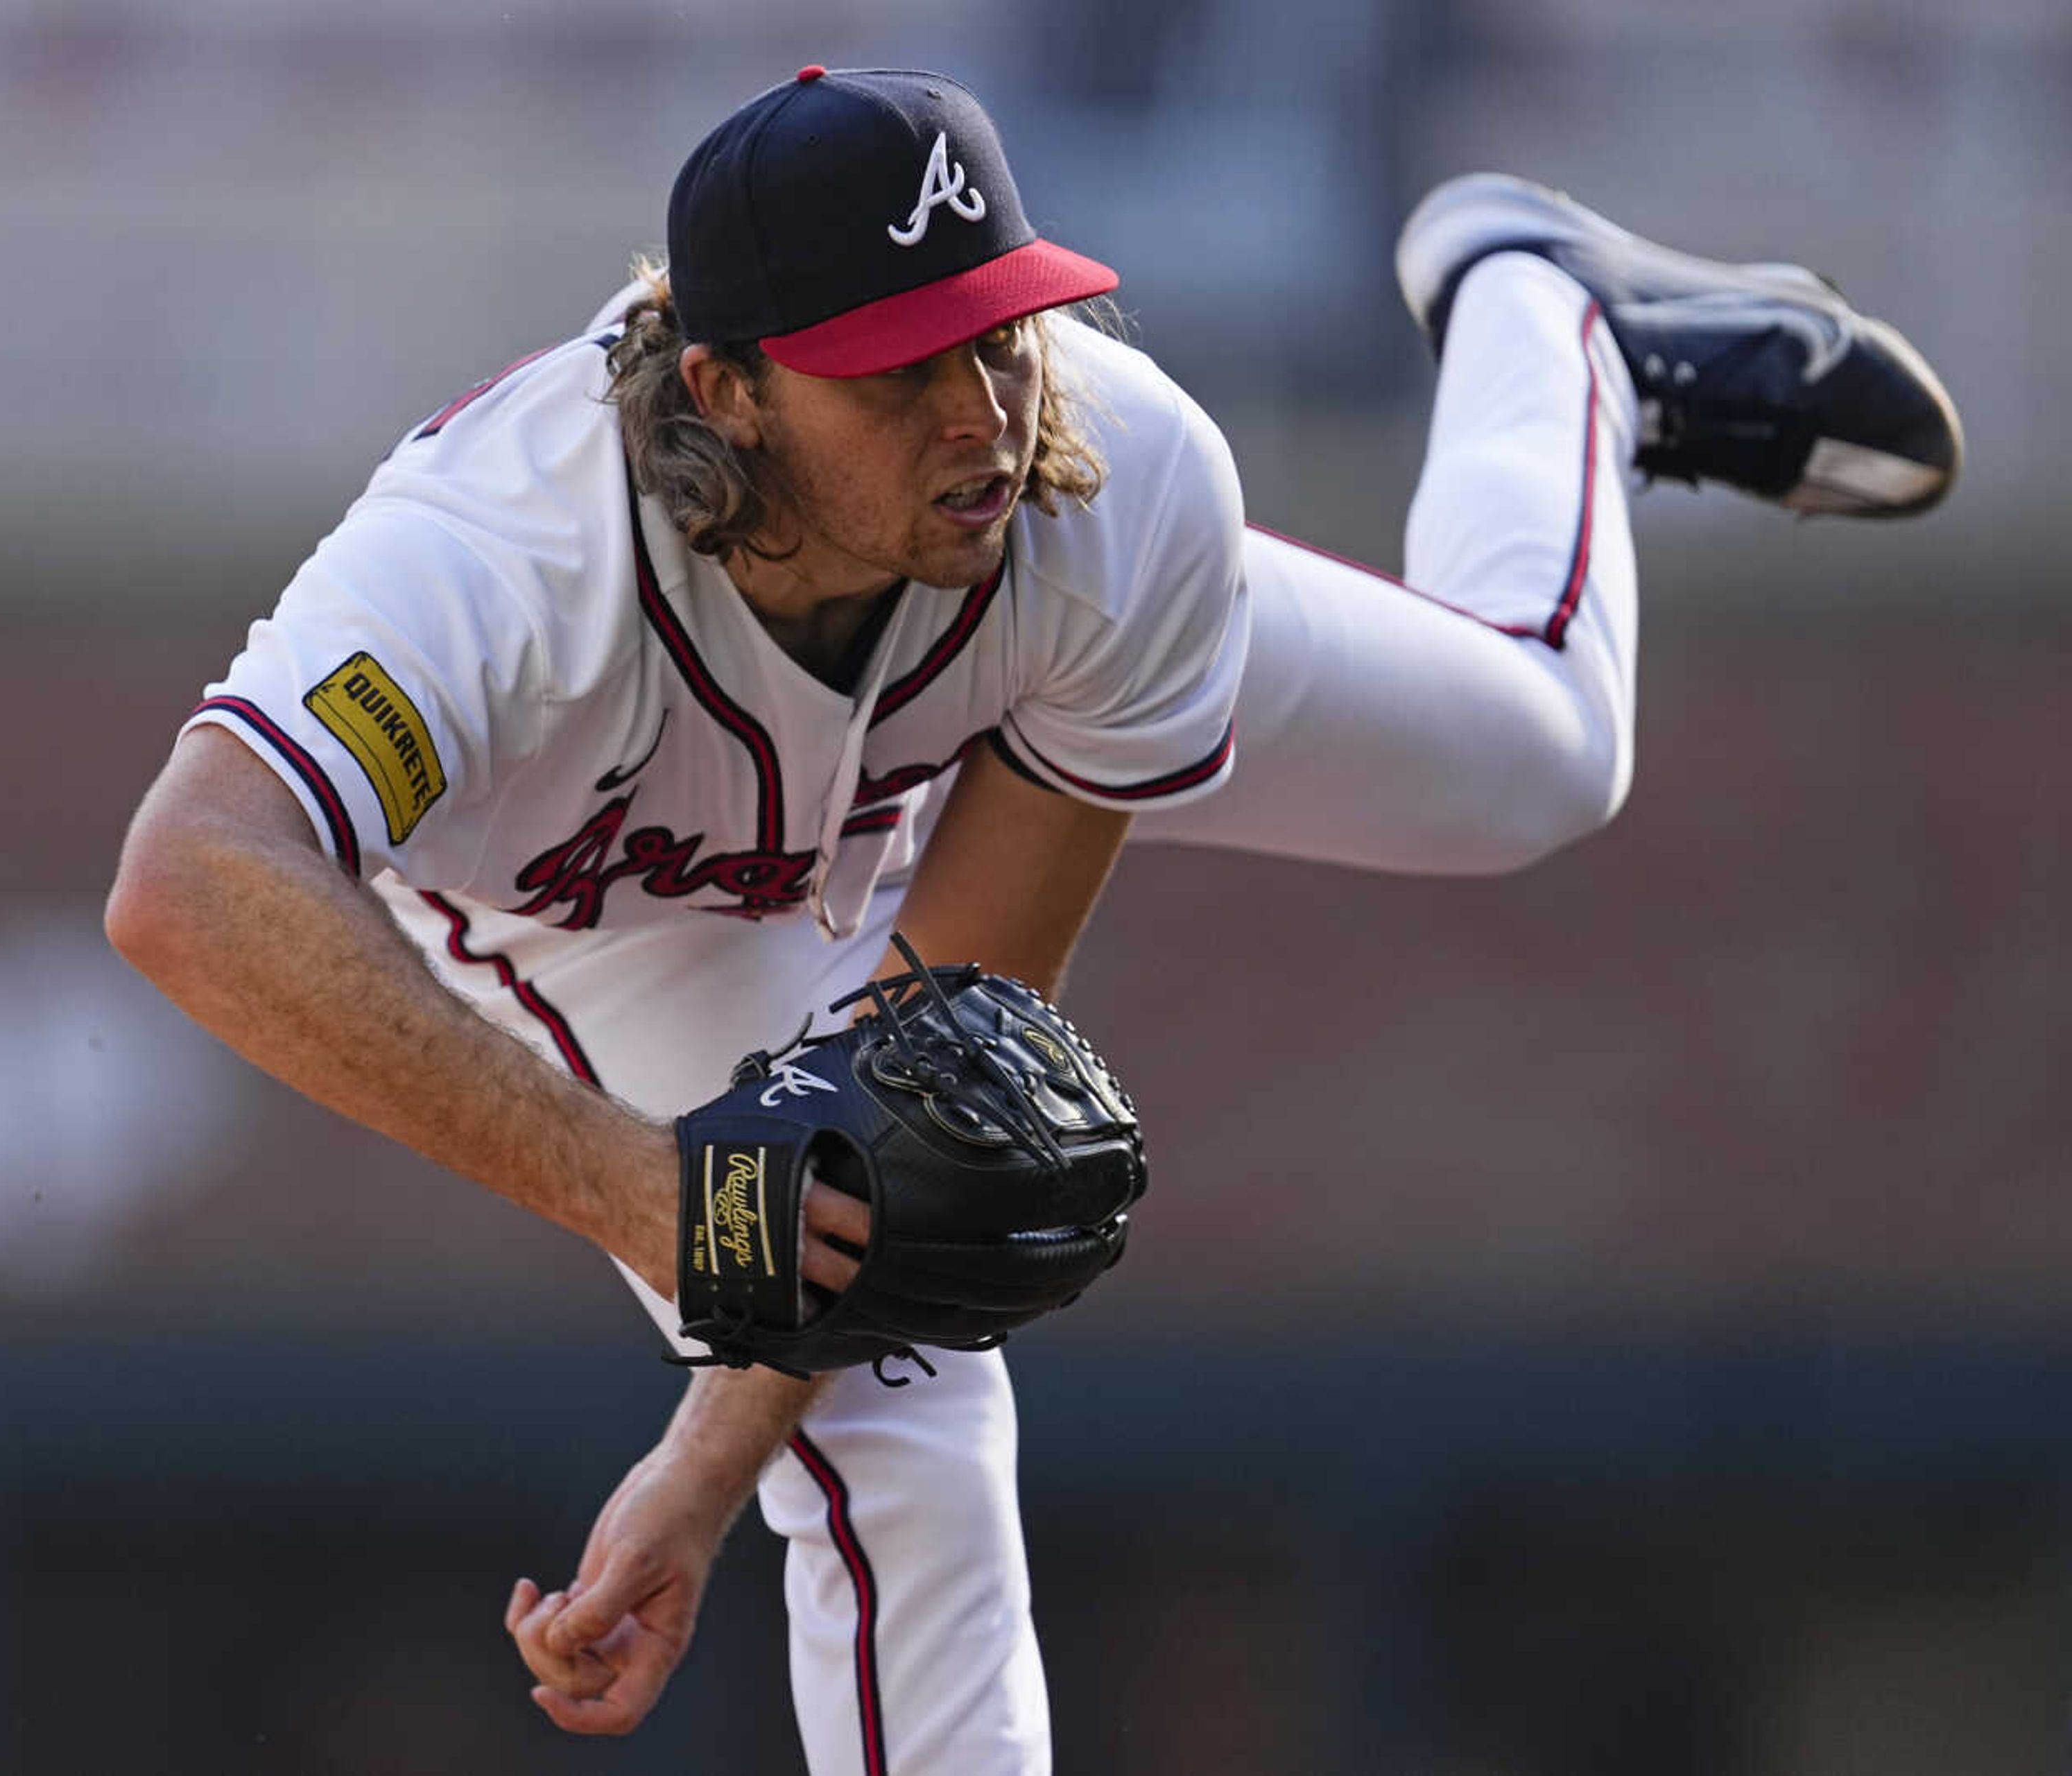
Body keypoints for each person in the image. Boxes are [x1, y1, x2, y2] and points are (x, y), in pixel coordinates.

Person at [103, 65, 1958, 1775]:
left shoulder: (1106, 481)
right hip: (625, 909)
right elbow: (191, 881)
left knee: (1547, 752)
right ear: (721, 385)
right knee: (910, 1415)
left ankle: (1539, 310)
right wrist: (638, 1190)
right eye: (900, 364)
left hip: (983, 707)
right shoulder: (501, 562)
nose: (983, 408)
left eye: (1003, 328)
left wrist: (706, 1426)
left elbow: (943, 1046)